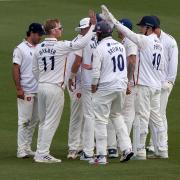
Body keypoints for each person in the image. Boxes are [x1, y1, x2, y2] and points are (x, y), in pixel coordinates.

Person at [100, 5, 168, 159]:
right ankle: (163, 149)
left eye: (142, 26)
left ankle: (141, 151)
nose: (140, 29)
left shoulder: (145, 41)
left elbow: (127, 32)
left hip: (144, 85)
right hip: (156, 85)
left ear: (148, 28)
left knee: (143, 117)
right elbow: (162, 65)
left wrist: (111, 18)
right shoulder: (159, 44)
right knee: (156, 117)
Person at [32, 12, 96, 163]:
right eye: (60, 28)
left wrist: (42, 80)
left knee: (43, 121)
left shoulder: (38, 48)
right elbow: (81, 43)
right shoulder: (61, 46)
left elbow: (34, 70)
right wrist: (93, 26)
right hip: (55, 88)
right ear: (53, 31)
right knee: (51, 122)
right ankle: (43, 153)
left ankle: (39, 152)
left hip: (41, 86)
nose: (61, 30)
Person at [90, 21, 133, 165]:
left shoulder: (99, 48)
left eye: (97, 33)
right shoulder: (120, 46)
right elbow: (125, 68)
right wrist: (126, 83)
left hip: (106, 87)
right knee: (117, 116)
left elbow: (95, 72)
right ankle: (127, 148)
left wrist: (93, 86)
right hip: (120, 85)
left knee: (101, 120)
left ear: (100, 33)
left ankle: (101, 156)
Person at [146, 16, 178, 157]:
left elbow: (173, 63)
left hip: (164, 83)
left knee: (159, 114)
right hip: (152, 82)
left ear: (153, 27)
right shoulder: (147, 39)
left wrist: (169, 82)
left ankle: (157, 145)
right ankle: (157, 145)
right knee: (154, 114)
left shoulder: (169, 41)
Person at [12, 23, 45, 158]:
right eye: (39, 35)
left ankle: (27, 147)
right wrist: (19, 88)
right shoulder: (20, 49)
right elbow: (15, 69)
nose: (40, 38)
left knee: (35, 120)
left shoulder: (41, 47)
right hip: (26, 90)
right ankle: (21, 149)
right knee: (24, 120)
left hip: (40, 89)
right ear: (31, 33)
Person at [107, 18, 137, 158]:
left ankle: (120, 146)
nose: (116, 30)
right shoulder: (124, 42)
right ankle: (116, 146)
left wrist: (128, 82)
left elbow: (132, 61)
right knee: (118, 114)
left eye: (118, 27)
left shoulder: (129, 41)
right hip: (123, 84)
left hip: (127, 84)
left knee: (124, 115)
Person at [68, 17, 98, 161]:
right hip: (79, 83)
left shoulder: (96, 39)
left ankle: (87, 146)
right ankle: (74, 147)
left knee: (89, 115)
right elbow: (73, 65)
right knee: (77, 115)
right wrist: (73, 80)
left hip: (91, 84)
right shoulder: (77, 42)